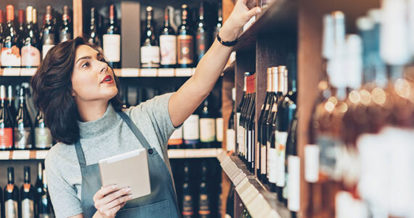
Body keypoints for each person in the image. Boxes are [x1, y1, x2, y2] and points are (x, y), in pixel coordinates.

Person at [31, 1, 261, 217]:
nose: (103, 66)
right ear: (68, 87)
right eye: (86, 64)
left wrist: (231, 27)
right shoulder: (59, 160)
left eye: (100, 58)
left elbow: (200, 85)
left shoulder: (147, 118)